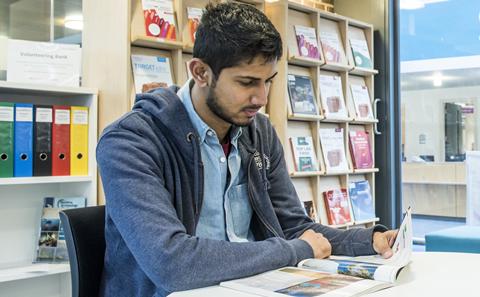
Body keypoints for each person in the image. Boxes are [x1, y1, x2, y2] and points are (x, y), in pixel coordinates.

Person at [96, 2, 396, 297]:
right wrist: (296, 250)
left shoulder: (259, 132)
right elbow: (171, 262)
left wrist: (369, 241)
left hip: (250, 286)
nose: (261, 97)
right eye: (247, 82)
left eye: (268, 81)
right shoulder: (130, 141)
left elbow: (294, 227)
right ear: (200, 72)